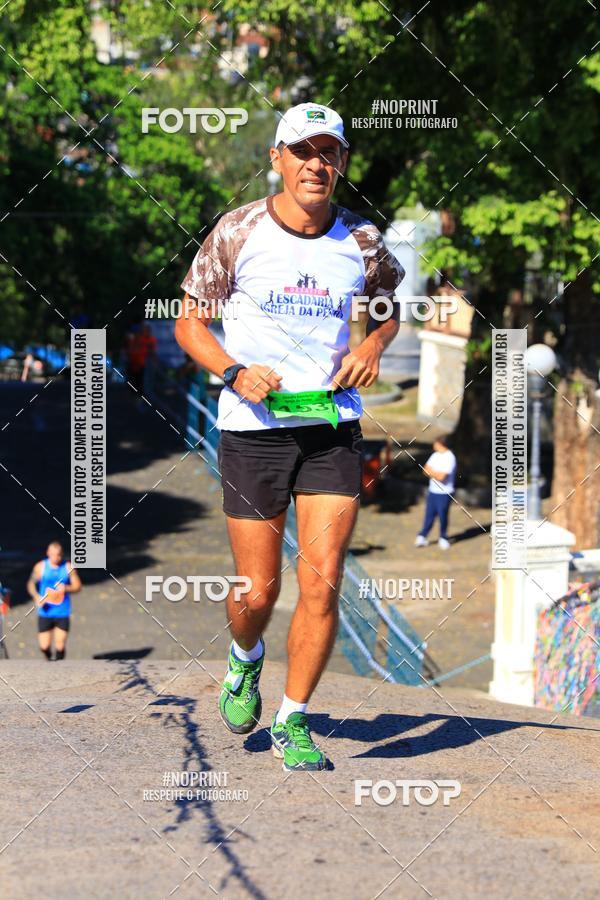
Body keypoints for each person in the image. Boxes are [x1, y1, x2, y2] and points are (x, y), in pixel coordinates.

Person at [175, 102, 404, 772]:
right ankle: (245, 657)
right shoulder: (238, 231)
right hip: (255, 429)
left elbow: (387, 309)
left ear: (342, 163)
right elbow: (191, 324)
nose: (316, 164)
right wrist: (235, 370)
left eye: (329, 152)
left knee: (324, 581)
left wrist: (375, 344)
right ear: (277, 158)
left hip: (332, 428)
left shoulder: (361, 241)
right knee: (257, 591)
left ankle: (293, 718)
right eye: (303, 151)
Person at [27, 541, 82, 660]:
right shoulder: (40, 567)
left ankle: (59, 667)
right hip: (45, 611)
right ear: (48, 553)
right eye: (53, 554)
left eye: (59, 555)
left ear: (62, 554)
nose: (56, 558)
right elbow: (31, 584)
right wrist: (36, 596)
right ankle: (48, 657)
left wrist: (66, 587)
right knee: (44, 646)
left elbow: (78, 586)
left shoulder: (68, 567)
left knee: (60, 644)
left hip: (62, 611)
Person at [415, 435, 457, 550]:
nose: (434, 445)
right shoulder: (435, 455)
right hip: (433, 491)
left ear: (442, 444)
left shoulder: (450, 458)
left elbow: (442, 477)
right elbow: (425, 470)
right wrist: (434, 473)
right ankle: (422, 536)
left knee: (443, 516)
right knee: (429, 515)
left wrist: (431, 472)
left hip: (445, 493)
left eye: (436, 443)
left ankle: (443, 537)